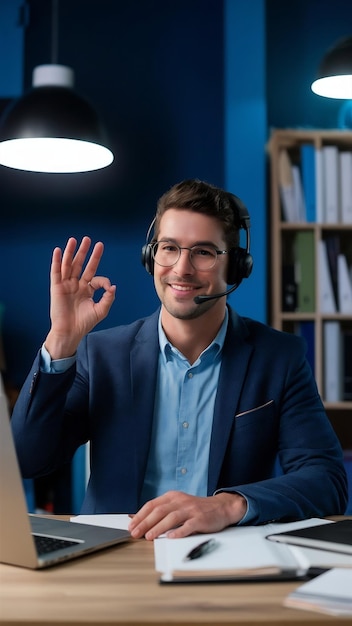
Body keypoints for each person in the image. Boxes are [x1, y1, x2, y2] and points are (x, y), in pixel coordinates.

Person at [11, 179, 347, 540]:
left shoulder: (278, 358)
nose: (181, 269)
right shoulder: (102, 354)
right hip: (113, 558)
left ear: (235, 267)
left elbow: (326, 480)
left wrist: (230, 504)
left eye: (203, 252)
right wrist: (61, 339)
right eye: (169, 248)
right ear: (151, 256)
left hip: (225, 555)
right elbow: (28, 460)